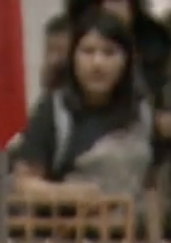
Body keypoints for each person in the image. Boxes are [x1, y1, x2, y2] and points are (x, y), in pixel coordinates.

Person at [13, 8, 152, 202]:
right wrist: (69, 194)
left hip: (131, 227)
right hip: (66, 228)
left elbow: (149, 185)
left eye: (109, 52)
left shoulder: (141, 112)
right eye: (88, 51)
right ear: (73, 57)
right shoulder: (53, 111)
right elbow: (23, 183)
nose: (97, 63)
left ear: (127, 60)